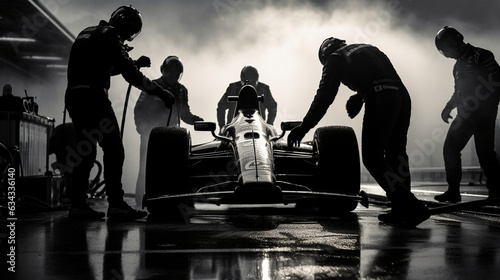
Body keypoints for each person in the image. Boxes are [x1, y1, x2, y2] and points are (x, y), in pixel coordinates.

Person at [287, 37, 430, 226]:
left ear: (325, 54)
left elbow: (324, 96)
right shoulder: (369, 48)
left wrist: (304, 127)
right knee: (397, 154)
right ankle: (402, 208)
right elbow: (378, 76)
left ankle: (410, 205)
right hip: (402, 97)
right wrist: (360, 96)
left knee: (373, 158)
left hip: (381, 97)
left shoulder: (334, 59)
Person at [64, 6, 175, 220]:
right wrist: (161, 93)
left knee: (86, 152)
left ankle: (77, 204)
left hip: (74, 96)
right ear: (124, 26)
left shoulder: (86, 32)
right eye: (130, 32)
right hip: (94, 97)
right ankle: (116, 205)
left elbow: (101, 66)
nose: (128, 37)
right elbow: (131, 75)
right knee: (114, 149)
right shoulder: (112, 35)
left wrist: (131, 62)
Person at [434, 26, 500, 203]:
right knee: (450, 148)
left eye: (446, 50)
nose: (446, 54)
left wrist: (487, 108)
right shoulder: (457, 66)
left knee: (485, 153)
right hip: (465, 115)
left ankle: (496, 192)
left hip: (483, 114)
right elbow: (458, 92)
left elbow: (497, 80)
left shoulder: (481, 55)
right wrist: (448, 107)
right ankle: (453, 192)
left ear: (455, 41)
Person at [133, 55, 204, 207]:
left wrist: (194, 120)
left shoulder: (182, 90)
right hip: (151, 136)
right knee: (146, 168)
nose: (173, 75)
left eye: (176, 73)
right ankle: (140, 202)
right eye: (170, 72)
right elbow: (138, 108)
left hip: (173, 136)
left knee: (175, 169)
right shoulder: (151, 86)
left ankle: (173, 200)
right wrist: (142, 130)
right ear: (163, 71)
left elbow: (184, 113)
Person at [216, 66, 277, 130]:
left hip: (259, 128)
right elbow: (221, 106)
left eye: (252, 82)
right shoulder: (232, 89)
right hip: (234, 129)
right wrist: (222, 127)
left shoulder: (264, 89)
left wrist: (269, 125)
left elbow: (273, 106)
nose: (249, 84)